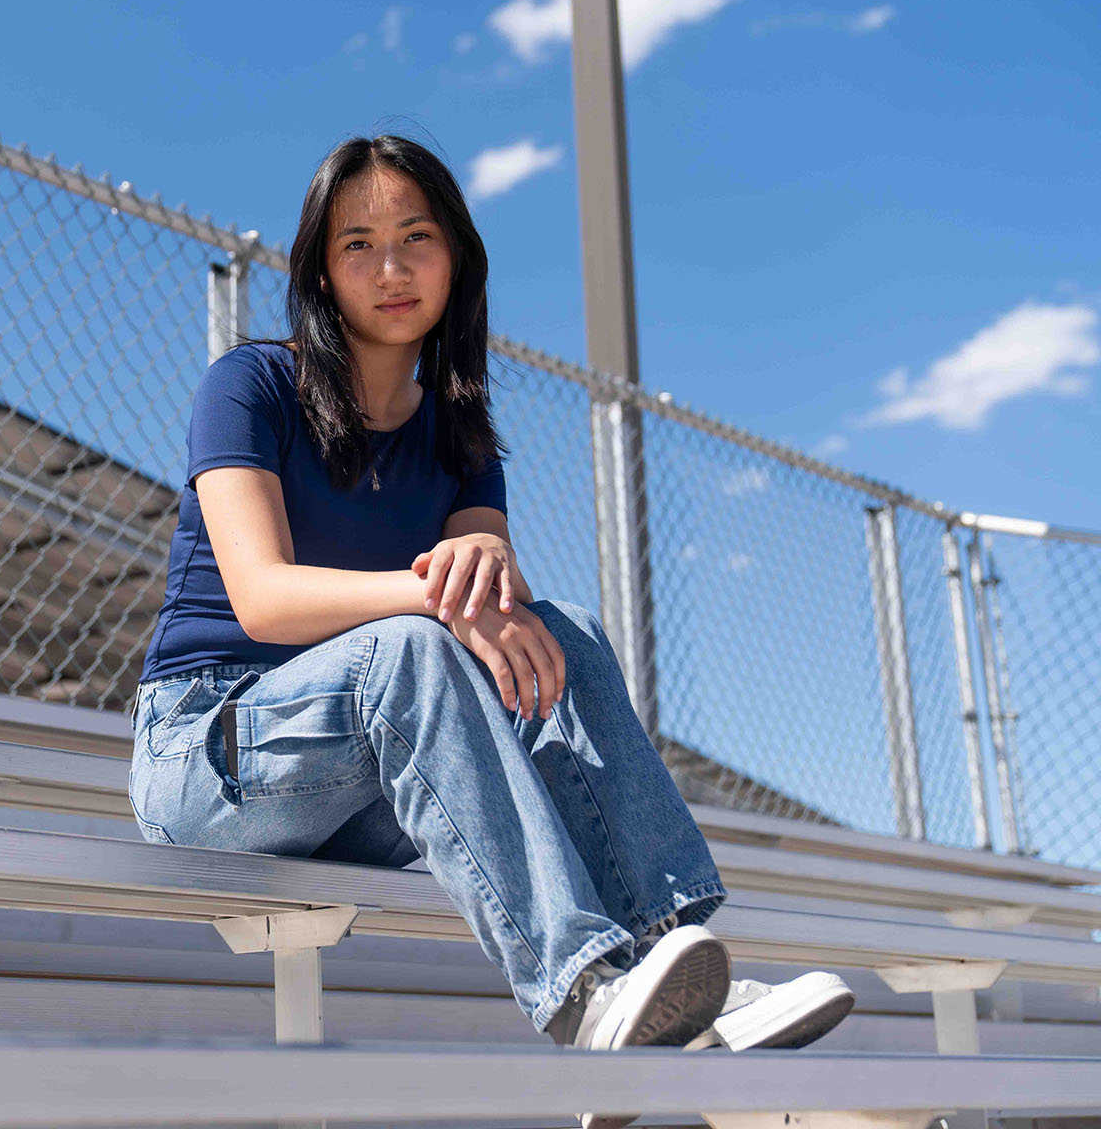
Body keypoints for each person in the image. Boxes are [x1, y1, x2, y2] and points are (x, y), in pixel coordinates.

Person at [127, 134, 852, 1126]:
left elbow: (490, 609)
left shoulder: (463, 437)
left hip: (361, 788)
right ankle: (587, 995)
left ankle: (681, 973)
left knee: (562, 631)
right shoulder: (251, 385)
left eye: (416, 237)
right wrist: (433, 598)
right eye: (358, 244)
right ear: (321, 272)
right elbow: (263, 598)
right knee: (421, 644)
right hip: (213, 753)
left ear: (457, 257)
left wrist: (486, 587)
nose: (390, 268)